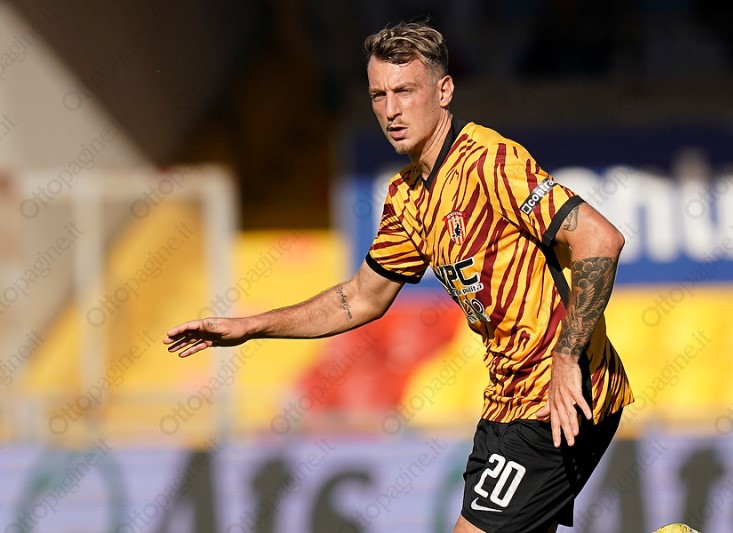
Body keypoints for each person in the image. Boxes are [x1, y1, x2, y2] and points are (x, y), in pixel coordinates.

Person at [164, 20, 634, 533]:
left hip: (560, 396)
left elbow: (600, 239)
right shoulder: (407, 197)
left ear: (443, 90)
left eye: (405, 91)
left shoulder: (489, 161)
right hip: (505, 404)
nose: (391, 110)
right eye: (378, 95)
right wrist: (249, 326)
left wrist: (566, 357)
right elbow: (359, 298)